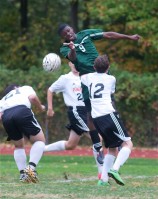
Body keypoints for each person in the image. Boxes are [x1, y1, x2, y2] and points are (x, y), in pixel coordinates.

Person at [57, 23, 140, 164]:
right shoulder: (65, 48)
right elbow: (72, 58)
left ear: (72, 28)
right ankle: (97, 144)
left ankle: (115, 139)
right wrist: (72, 49)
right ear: (63, 37)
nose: (68, 34)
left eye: (69, 30)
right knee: (90, 112)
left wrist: (129, 37)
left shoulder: (85, 34)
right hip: (87, 78)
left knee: (109, 106)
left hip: (101, 73)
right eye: (65, 34)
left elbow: (108, 34)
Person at [81, 54, 133, 187]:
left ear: (94, 67)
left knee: (112, 148)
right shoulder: (111, 79)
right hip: (108, 114)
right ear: (108, 67)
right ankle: (115, 170)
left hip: (96, 118)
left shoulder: (88, 77)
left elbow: (82, 74)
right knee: (128, 144)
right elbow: (110, 93)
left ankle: (103, 180)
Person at [44, 62, 103, 176]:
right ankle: (102, 172)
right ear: (69, 64)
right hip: (76, 111)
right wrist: (50, 108)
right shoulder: (66, 78)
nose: (75, 65)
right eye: (73, 63)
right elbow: (50, 90)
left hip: (88, 112)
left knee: (71, 145)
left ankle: (41, 149)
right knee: (97, 137)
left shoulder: (87, 76)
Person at [0, 84, 46, 183]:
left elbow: (0, 116)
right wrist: (40, 107)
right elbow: (33, 97)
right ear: (16, 87)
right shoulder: (24, 88)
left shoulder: (4, 99)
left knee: (18, 146)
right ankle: (31, 168)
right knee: (39, 140)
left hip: (6, 117)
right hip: (22, 111)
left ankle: (22, 174)